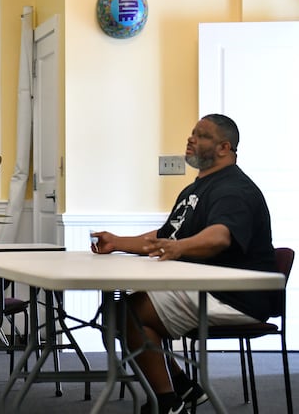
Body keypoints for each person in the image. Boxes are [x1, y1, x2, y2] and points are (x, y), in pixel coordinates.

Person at [91, 114, 279, 414]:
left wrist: (179, 248)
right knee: (120, 311)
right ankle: (182, 387)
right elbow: (166, 236)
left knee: (126, 314)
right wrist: (117, 242)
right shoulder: (195, 189)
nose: (191, 139)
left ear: (224, 148)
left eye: (202, 135)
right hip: (207, 289)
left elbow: (219, 237)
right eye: (193, 133)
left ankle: (168, 402)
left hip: (235, 296)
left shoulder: (234, 189)